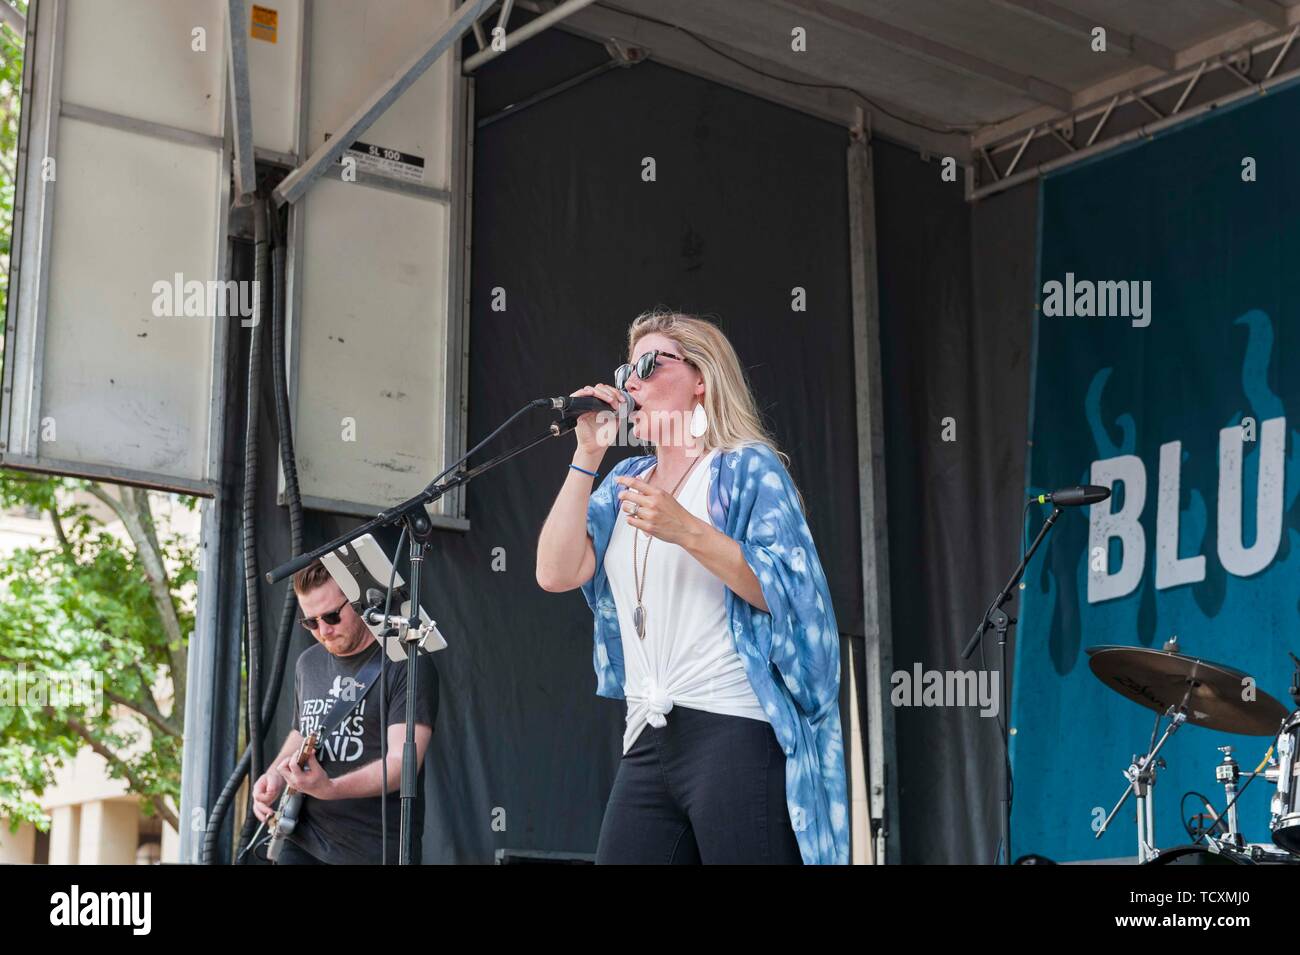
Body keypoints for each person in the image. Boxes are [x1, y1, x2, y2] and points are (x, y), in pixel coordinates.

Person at [536, 308, 848, 864]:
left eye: (651, 364)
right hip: (648, 731)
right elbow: (555, 573)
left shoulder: (745, 468)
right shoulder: (622, 484)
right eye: (626, 368)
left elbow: (791, 593)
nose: (631, 381)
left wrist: (687, 529)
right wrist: (586, 455)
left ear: (701, 378)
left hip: (734, 721)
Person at [251, 560, 439, 864]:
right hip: (303, 838)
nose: (323, 631)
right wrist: (275, 775)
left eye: (332, 616)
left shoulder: (405, 663)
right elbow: (303, 731)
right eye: (310, 622)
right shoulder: (308, 663)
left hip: (372, 849)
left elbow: (402, 766)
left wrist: (331, 788)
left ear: (360, 601)